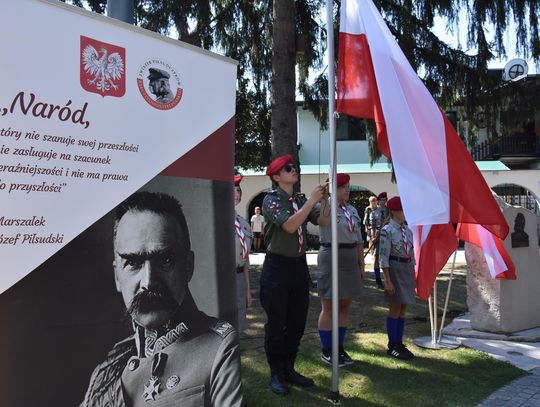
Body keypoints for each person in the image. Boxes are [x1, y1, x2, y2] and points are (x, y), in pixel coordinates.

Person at [80, 191, 242, 407]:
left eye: (165, 260)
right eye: (133, 263)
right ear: (117, 276)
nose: (148, 281)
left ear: (188, 267)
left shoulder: (221, 348)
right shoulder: (107, 370)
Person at [260, 154, 329, 395]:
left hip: (298, 266)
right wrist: (312, 201)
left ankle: (289, 368)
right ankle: (276, 373)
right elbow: (290, 226)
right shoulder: (271, 200)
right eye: (288, 168)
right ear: (276, 177)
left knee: (297, 322)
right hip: (277, 267)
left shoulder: (299, 199)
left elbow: (324, 221)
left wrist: (325, 200)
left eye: (293, 167)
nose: (293, 170)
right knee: (276, 324)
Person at [317, 173, 365, 367]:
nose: (347, 190)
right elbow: (322, 222)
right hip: (331, 255)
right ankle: (327, 350)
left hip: (349, 257)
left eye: (348, 187)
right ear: (333, 189)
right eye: (343, 187)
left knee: (345, 305)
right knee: (329, 306)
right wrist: (324, 198)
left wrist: (361, 264)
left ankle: (339, 347)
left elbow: (359, 240)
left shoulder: (351, 210)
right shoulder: (325, 206)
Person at [379, 196, 416, 360]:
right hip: (395, 269)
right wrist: (387, 280)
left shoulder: (407, 230)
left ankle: (399, 342)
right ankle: (392, 344)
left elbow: (411, 252)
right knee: (395, 307)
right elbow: (383, 257)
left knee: (403, 308)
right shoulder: (387, 230)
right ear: (394, 211)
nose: (405, 212)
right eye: (402, 209)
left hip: (406, 269)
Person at [234, 175, 253, 332]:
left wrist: (247, 289)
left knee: (238, 325)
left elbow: (245, 259)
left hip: (239, 277)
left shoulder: (243, 223)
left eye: (238, 190)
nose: (236, 194)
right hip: (222, 280)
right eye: (232, 190)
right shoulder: (217, 221)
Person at [370, 192, 389, 288]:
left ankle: (388, 279)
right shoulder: (374, 212)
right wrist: (373, 238)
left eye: (384, 200)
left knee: (388, 257)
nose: (382, 202)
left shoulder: (389, 212)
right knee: (377, 257)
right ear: (378, 201)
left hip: (388, 236)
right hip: (378, 236)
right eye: (381, 200)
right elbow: (372, 227)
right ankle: (378, 280)